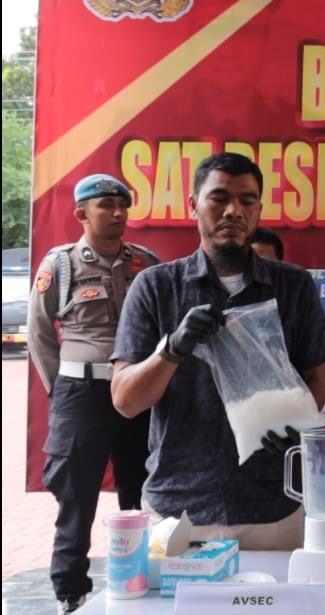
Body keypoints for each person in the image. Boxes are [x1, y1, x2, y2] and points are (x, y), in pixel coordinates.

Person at [110, 152, 325, 548]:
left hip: (274, 508)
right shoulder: (156, 287)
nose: (234, 211)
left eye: (247, 200)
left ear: (259, 209)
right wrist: (172, 349)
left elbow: (315, 376)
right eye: (219, 198)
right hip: (179, 510)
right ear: (193, 204)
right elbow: (126, 401)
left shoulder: (293, 286)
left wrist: (295, 424)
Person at [27, 174, 160, 614]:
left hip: (135, 391)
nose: (119, 213)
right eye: (107, 205)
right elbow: (39, 332)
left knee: (140, 489)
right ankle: (70, 592)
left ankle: (140, 577)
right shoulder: (60, 265)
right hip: (80, 393)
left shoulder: (146, 263)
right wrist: (62, 387)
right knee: (76, 495)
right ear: (81, 213)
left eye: (123, 205)